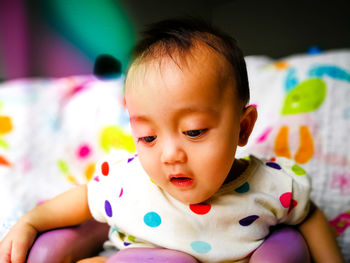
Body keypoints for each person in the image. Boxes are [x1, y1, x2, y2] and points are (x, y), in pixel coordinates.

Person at [0, 18, 344, 263]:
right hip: (151, 255)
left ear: (242, 128)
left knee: (284, 249)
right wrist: (31, 221)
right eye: (148, 137)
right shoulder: (130, 183)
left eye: (193, 132)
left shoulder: (272, 184)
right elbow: (86, 197)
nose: (170, 155)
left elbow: (308, 215)